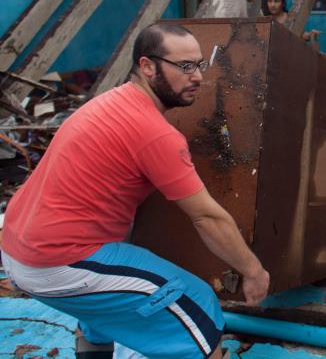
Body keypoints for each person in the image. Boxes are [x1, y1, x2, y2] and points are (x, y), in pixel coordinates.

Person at [0, 24, 270, 358]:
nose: (197, 76)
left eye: (199, 64)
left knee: (101, 308)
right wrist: (253, 271)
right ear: (147, 66)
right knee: (198, 305)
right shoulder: (155, 134)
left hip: (16, 249)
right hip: (57, 261)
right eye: (184, 66)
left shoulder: (108, 103)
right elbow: (207, 217)